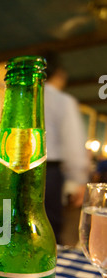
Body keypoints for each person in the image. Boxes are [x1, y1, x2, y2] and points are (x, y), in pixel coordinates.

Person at [44, 52, 90, 244]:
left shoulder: (27, 96)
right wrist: (80, 179)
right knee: (49, 227)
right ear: (60, 74)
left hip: (21, 168)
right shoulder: (63, 101)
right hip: (49, 172)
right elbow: (73, 142)